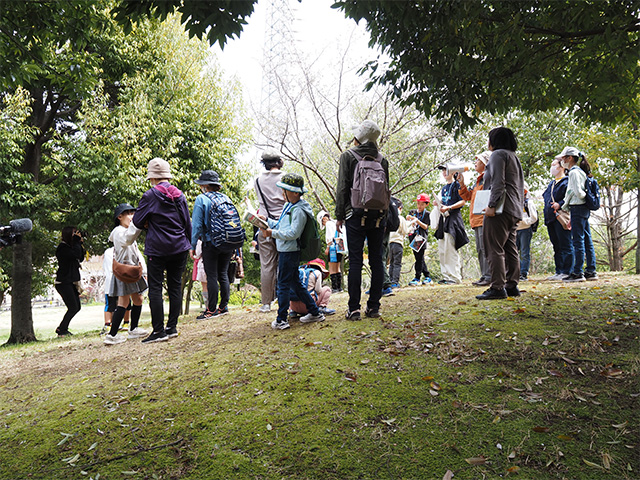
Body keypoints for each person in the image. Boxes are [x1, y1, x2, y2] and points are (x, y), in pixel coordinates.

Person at [130, 158, 192, 343]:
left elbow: (137, 222)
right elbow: (187, 222)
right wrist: (189, 244)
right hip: (180, 246)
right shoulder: (179, 195)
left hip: (158, 248)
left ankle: (158, 331)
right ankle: (171, 327)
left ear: (152, 177)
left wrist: (150, 222)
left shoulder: (149, 196)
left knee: (155, 288)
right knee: (174, 287)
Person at [335, 119, 390, 320]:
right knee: (377, 260)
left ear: (359, 137)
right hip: (379, 217)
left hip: (355, 215)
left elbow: (342, 188)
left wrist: (339, 215)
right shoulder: (382, 159)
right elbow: (387, 191)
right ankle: (374, 307)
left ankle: (354, 308)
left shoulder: (348, 156)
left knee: (356, 260)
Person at [259, 173, 325, 330]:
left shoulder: (299, 211)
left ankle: (281, 319)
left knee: (282, 285)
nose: (283, 193)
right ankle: (315, 312)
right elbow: (282, 225)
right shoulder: (289, 206)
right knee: (295, 284)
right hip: (285, 250)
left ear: (295, 193)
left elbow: (293, 233)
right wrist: (267, 221)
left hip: (290, 252)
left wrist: (271, 233)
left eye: (285, 190)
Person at [476, 127, 524, 300]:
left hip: (501, 209)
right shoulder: (513, 157)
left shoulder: (497, 155)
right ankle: (512, 285)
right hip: (515, 209)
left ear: (494, 140)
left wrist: (491, 205)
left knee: (493, 246)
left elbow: (498, 183)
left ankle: (497, 287)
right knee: (510, 248)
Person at [104, 203, 149, 345]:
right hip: (125, 272)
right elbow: (129, 239)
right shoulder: (118, 232)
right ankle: (112, 335)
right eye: (128, 214)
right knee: (123, 302)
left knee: (138, 300)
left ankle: (133, 329)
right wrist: (138, 225)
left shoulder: (125, 229)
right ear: (119, 217)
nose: (132, 216)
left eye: (133, 213)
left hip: (132, 271)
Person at [190, 170, 233, 319]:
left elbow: (196, 225)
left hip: (211, 242)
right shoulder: (226, 198)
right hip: (227, 242)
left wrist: (193, 245)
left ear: (205, 185)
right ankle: (224, 307)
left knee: (212, 275)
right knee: (223, 274)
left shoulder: (202, 199)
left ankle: (211, 310)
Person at [254, 150, 286, 313]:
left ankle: (266, 303)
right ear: (279, 162)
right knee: (284, 263)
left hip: (264, 224)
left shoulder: (258, 181)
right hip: (284, 225)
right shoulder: (286, 178)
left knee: (267, 265)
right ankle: (284, 299)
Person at [560, 147, 598, 282]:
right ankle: (591, 270)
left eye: (563, 158)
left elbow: (576, 192)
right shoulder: (581, 172)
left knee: (578, 241)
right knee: (586, 239)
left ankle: (577, 272)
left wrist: (565, 205)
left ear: (570, 158)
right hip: (583, 209)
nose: (562, 161)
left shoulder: (574, 173)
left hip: (578, 207)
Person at [458, 151, 491, 286]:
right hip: (476, 219)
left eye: (478, 160)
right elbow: (468, 197)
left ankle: (489, 275)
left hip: (484, 218)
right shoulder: (479, 180)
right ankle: (484, 275)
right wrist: (461, 184)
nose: (475, 163)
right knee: (480, 248)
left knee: (486, 247)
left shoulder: (488, 178)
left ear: (485, 163)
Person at [434, 168, 468, 284]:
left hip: (453, 219)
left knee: (450, 249)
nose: (444, 173)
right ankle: (446, 276)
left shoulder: (456, 185)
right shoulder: (444, 188)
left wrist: (449, 207)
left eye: (446, 170)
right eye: (443, 171)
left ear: (453, 172)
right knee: (442, 248)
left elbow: (463, 201)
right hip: (443, 219)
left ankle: (454, 277)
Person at [542, 156, 573, 281]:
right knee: (556, 246)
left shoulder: (567, 182)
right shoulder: (551, 183)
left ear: (561, 167)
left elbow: (570, 197)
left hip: (561, 217)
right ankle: (559, 270)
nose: (552, 167)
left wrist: (559, 203)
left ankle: (567, 271)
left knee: (565, 244)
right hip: (551, 218)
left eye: (554, 164)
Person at [54, 226, 85, 336]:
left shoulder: (71, 246)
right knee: (73, 307)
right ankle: (62, 330)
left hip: (70, 281)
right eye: (74, 234)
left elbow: (80, 257)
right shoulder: (62, 248)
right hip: (63, 282)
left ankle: (62, 328)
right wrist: (76, 242)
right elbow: (75, 255)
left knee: (77, 307)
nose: (76, 236)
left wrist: (79, 243)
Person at [317, 210, 347, 293]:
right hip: (340, 246)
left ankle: (334, 288)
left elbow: (330, 237)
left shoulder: (329, 224)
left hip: (333, 247)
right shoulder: (335, 222)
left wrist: (327, 247)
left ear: (323, 219)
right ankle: (339, 287)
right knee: (337, 267)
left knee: (331, 267)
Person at [406, 194, 433, 286]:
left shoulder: (428, 214)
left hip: (421, 237)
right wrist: (409, 218)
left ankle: (417, 277)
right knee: (418, 257)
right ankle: (427, 276)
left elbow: (425, 226)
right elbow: (408, 219)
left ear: (426, 204)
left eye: (422, 204)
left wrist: (417, 221)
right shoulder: (413, 212)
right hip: (413, 236)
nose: (419, 206)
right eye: (418, 204)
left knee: (419, 258)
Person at [515, 184, 538, 281]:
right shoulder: (515, 203)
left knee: (524, 252)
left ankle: (523, 273)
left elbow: (534, 218)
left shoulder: (528, 203)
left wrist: (523, 221)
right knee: (514, 251)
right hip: (515, 230)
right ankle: (516, 272)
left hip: (525, 229)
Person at [388, 199, 410, 288]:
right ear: (400, 208)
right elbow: (405, 231)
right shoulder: (401, 218)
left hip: (390, 243)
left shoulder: (390, 217)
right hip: (398, 243)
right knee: (397, 263)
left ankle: (390, 281)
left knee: (391, 263)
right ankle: (395, 282)